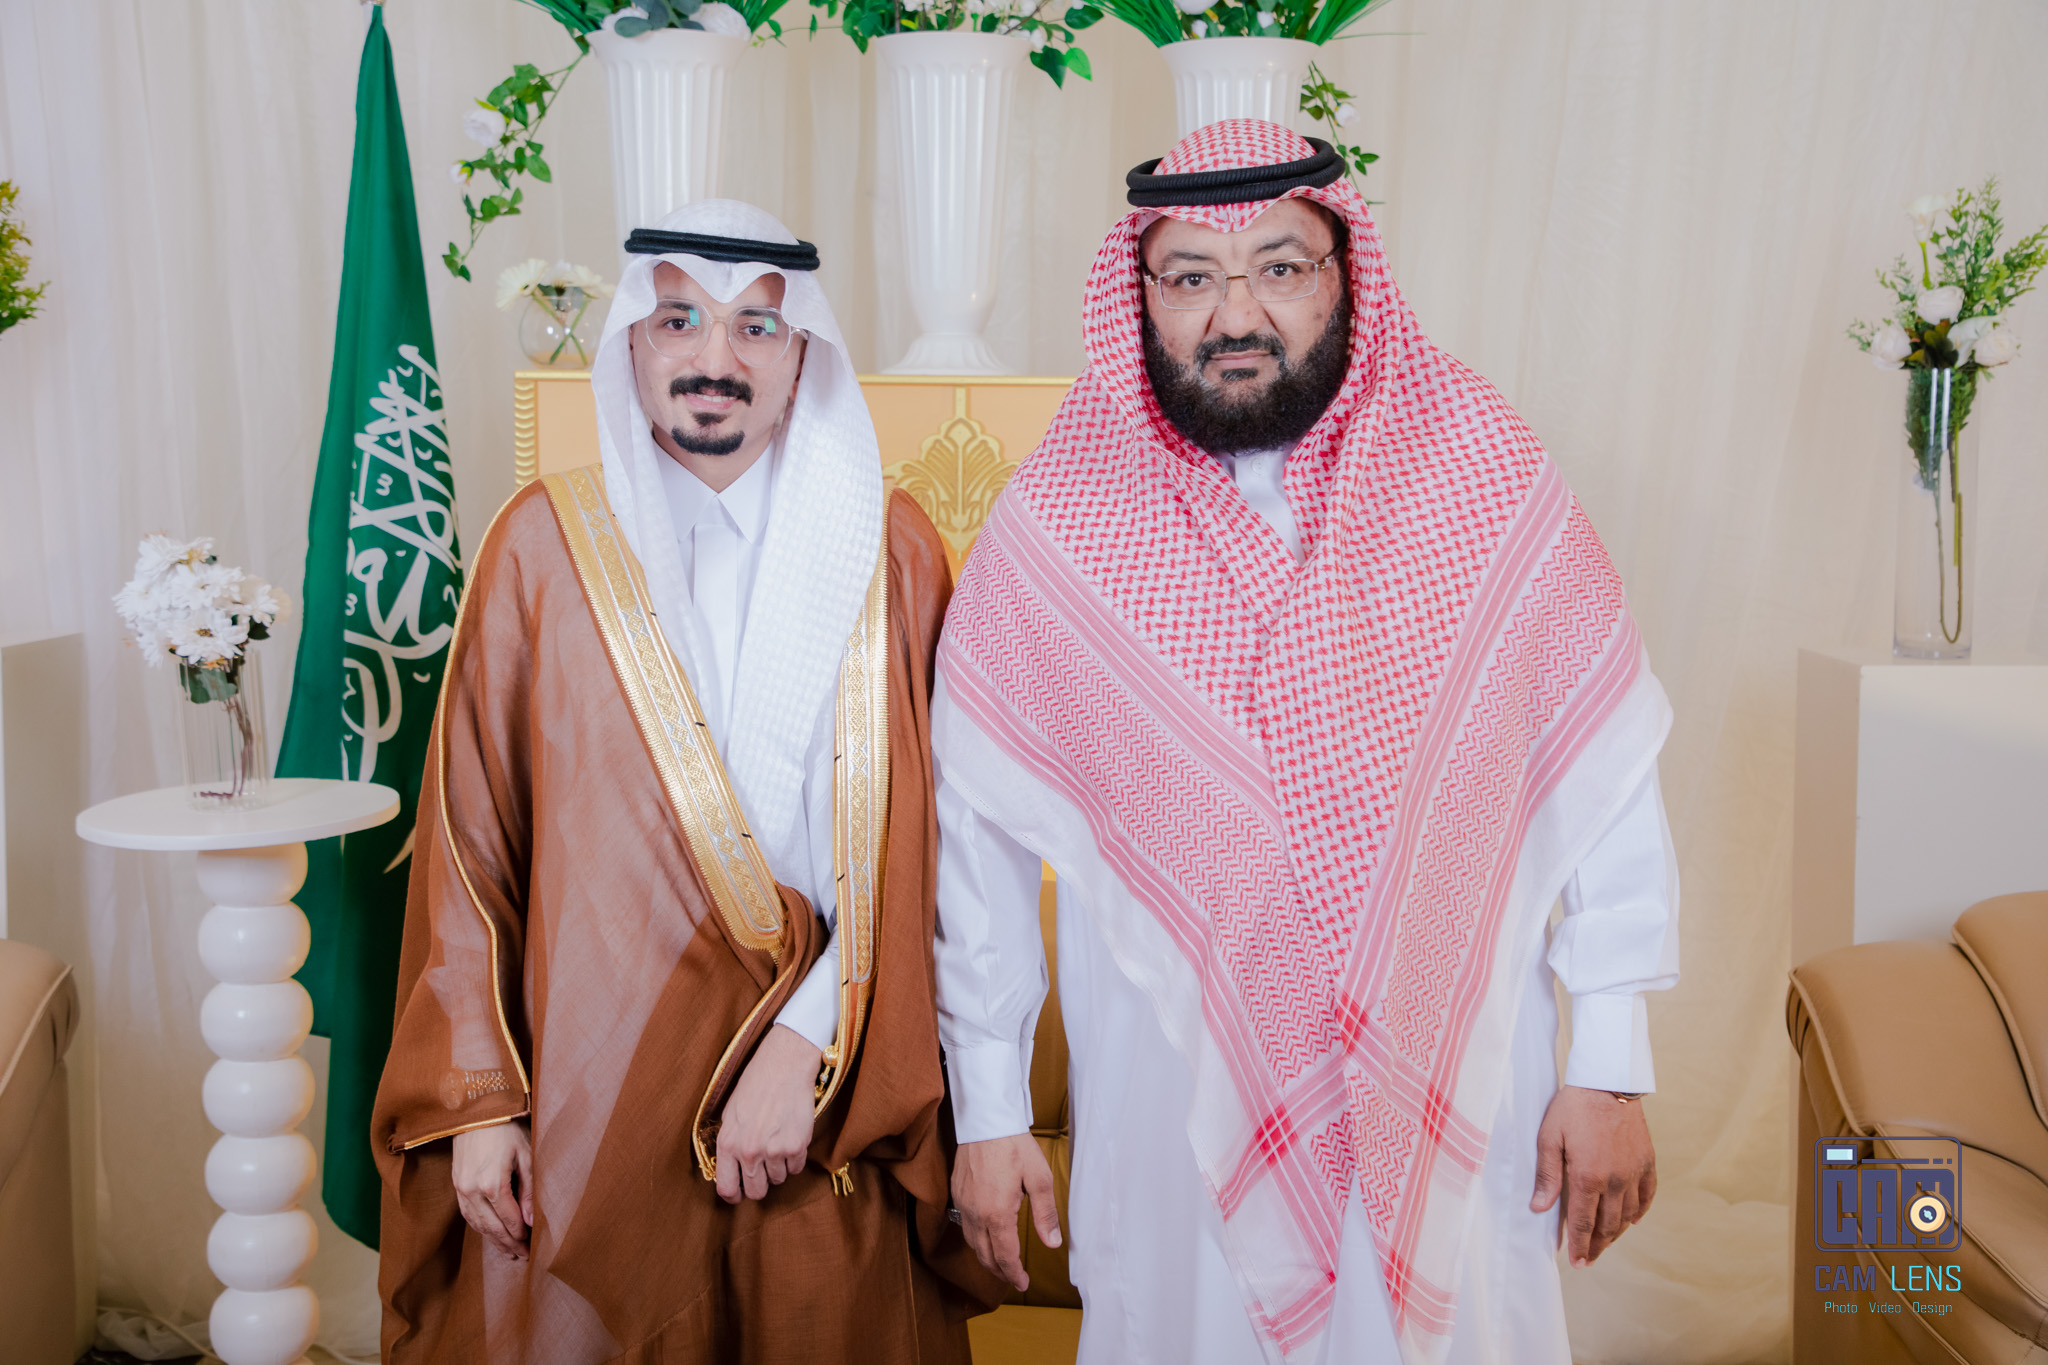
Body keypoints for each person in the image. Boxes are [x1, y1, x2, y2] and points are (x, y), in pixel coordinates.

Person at [934, 120, 1681, 1365]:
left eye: (1278, 267)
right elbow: (977, 841)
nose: (1235, 315)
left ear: (1344, 276)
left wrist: (1606, 1062)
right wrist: (991, 1109)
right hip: (1178, 1113)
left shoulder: (1475, 470)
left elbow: (1601, 780)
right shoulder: (1058, 522)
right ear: (1140, 295)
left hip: (1458, 1068)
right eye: (1191, 276)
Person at [372, 200, 999, 1363]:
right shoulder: (541, 546)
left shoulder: (892, 551)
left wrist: (804, 1043)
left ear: (802, 355)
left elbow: (930, 847)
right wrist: (483, 1100)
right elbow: (470, 840)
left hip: (825, 1090)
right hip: (588, 1082)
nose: (715, 359)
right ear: (632, 340)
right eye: (678, 321)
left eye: (756, 328)